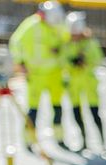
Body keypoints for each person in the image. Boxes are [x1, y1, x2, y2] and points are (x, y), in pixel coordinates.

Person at [9, 1, 68, 152]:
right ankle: (29, 140)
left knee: (57, 108)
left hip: (55, 73)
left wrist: (60, 50)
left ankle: (59, 137)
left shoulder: (58, 24)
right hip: (35, 75)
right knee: (33, 110)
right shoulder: (30, 25)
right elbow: (15, 42)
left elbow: (66, 41)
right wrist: (19, 62)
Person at [63, 12, 105, 154]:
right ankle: (84, 142)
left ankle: (102, 143)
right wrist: (71, 63)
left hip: (88, 83)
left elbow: (97, 59)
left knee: (94, 114)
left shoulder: (90, 43)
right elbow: (63, 61)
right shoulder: (67, 44)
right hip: (74, 85)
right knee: (77, 114)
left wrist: (85, 62)